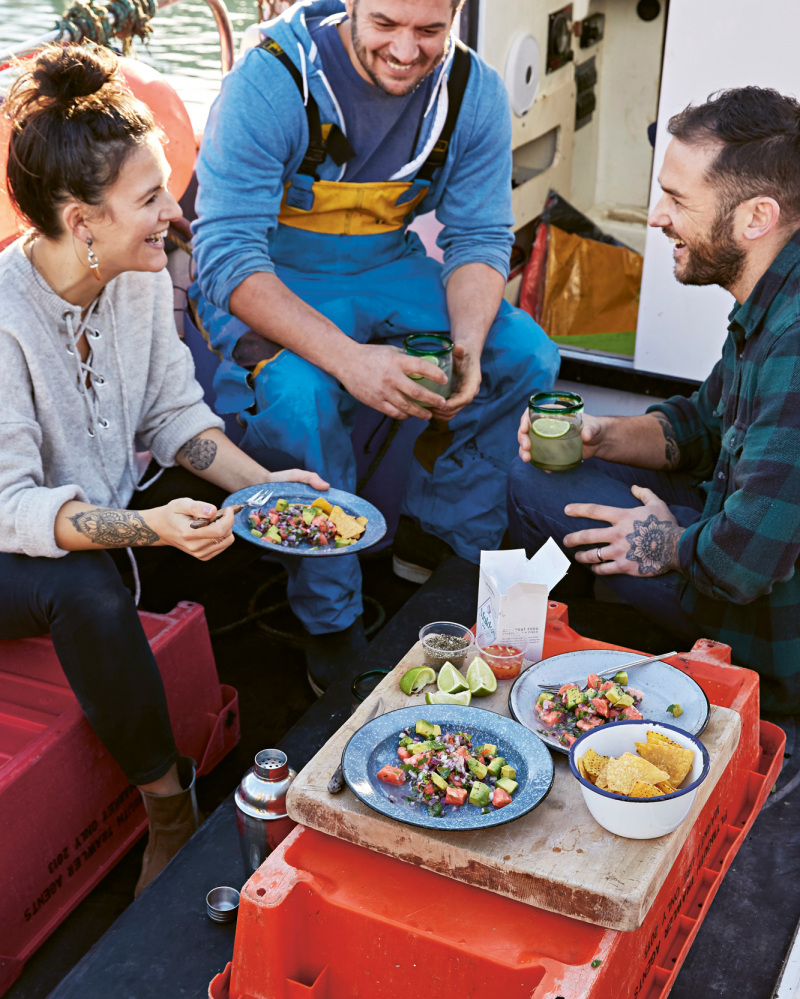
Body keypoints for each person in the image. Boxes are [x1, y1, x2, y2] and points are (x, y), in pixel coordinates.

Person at [0, 43, 327, 896]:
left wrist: (262, 488)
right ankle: (167, 801)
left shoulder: (135, 273)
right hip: (13, 545)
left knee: (274, 495)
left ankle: (300, 689)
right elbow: (14, 510)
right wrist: (148, 527)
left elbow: (174, 418)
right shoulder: (3, 317)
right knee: (82, 583)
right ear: (81, 220)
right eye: (150, 200)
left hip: (106, 517)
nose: (172, 216)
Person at [190, 0, 560, 693]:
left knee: (525, 357)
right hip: (271, 273)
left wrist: (469, 349)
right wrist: (350, 360)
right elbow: (225, 259)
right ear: (350, 5)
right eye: (385, 25)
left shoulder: (470, 89)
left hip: (386, 264)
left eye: (428, 31)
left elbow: (478, 238)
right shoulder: (271, 79)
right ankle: (330, 623)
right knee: (304, 396)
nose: (405, 50)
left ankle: (439, 535)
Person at [508, 86, 800, 716]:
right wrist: (599, 434)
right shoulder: (774, 295)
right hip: (730, 542)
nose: (656, 216)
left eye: (677, 199)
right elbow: (701, 424)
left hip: (772, 630)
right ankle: (587, 653)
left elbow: (744, 562)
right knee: (554, 463)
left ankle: (565, 682)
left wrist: (666, 545)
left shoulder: (798, 338)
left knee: (530, 485)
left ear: (756, 217)